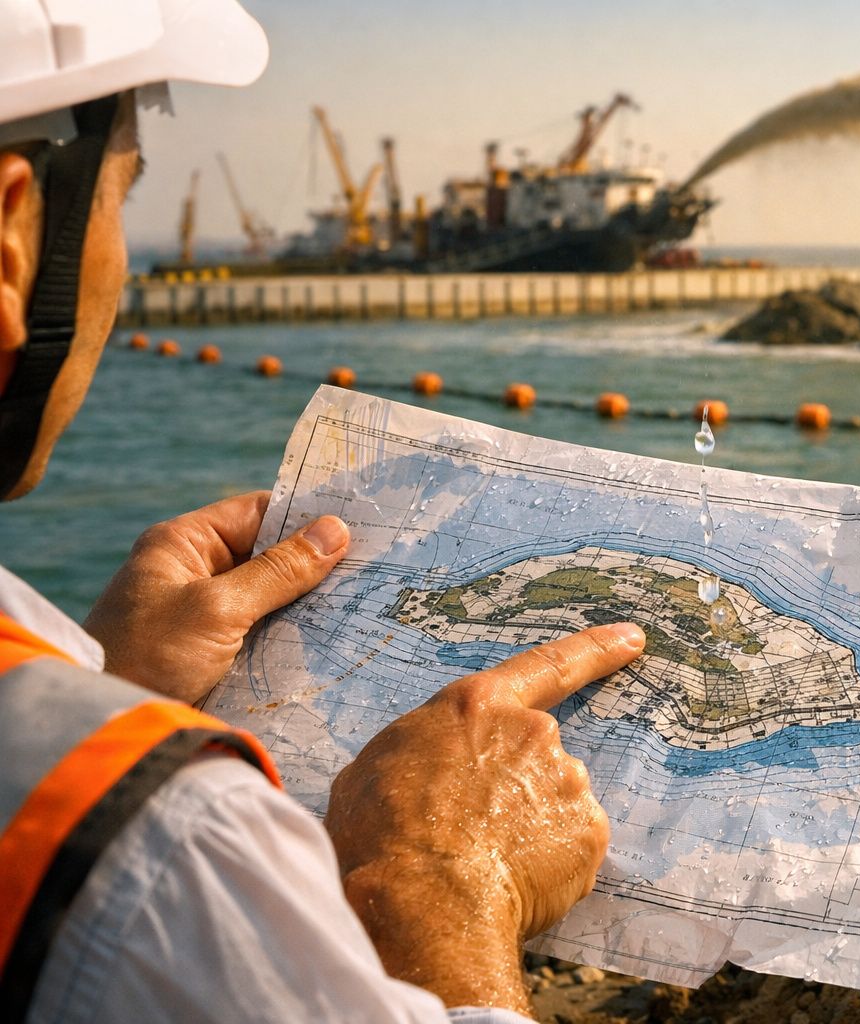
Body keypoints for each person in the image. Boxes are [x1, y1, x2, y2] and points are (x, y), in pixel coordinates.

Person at [0, 2, 644, 1021]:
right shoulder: (161, 844)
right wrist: (431, 884)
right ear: (9, 242)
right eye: (126, 198)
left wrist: (109, 686)